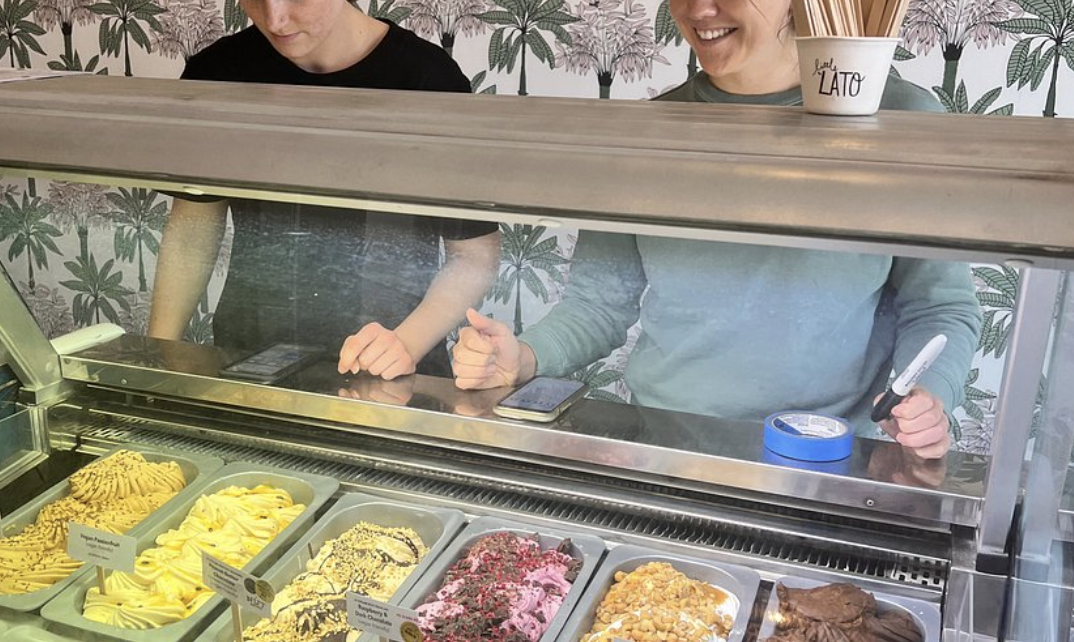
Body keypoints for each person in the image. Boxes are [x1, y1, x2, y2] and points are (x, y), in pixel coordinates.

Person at [451, 0, 981, 459]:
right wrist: (522, 356)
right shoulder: (649, 134)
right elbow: (598, 305)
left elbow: (939, 308)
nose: (698, 10)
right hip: (669, 444)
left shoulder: (902, 119)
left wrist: (927, 396)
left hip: (831, 453)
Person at [148, 0, 500, 379]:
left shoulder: (428, 80)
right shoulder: (217, 74)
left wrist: (405, 344)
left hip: (391, 368)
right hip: (250, 357)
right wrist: (154, 357)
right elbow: (191, 232)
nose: (276, 19)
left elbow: (475, 257)